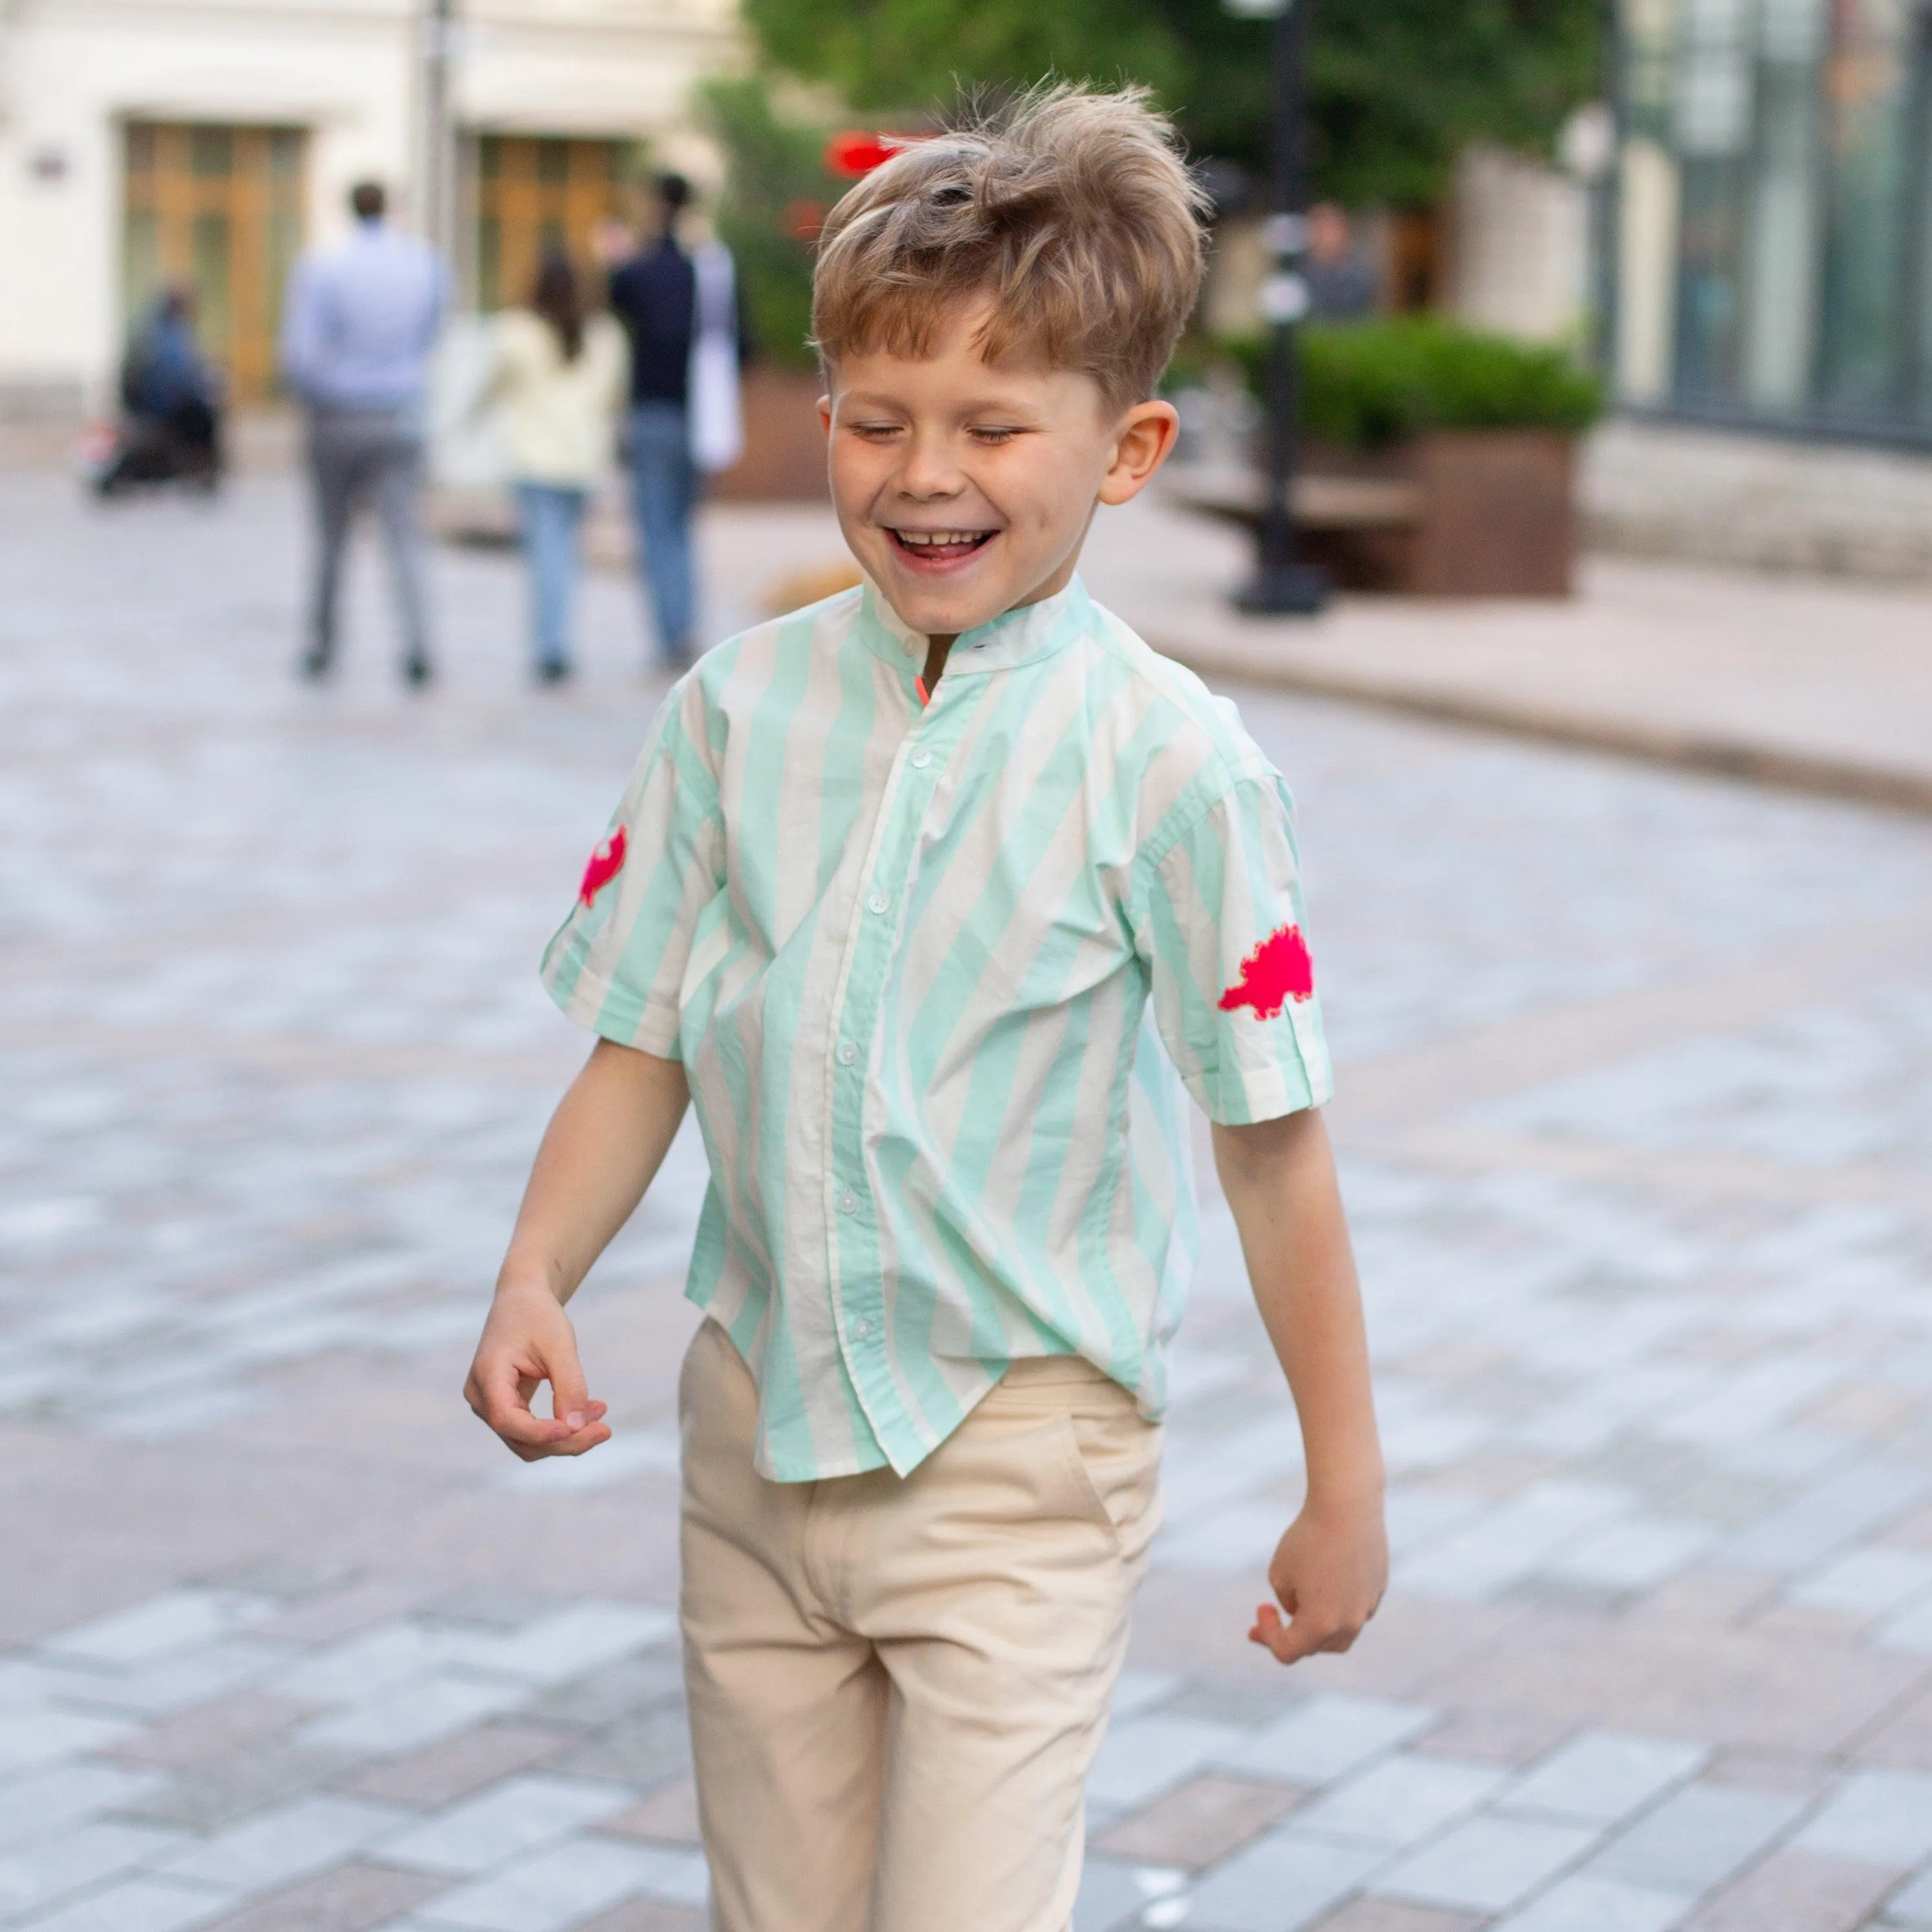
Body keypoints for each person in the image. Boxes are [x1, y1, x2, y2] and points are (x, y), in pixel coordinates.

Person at [465, 85, 1386, 1932]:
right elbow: (641, 1036)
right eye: (874, 420)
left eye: (989, 425)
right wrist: (535, 1271)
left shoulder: (1171, 765)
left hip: (1019, 1462)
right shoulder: (731, 711)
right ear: (821, 414)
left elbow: (1270, 1147)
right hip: (754, 1438)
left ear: (1124, 451)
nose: (921, 473)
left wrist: (1340, 1477)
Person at [280, 180, 446, 687]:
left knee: (331, 539)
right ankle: (418, 646)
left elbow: (298, 354)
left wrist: (320, 391)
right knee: (403, 536)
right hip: (399, 414)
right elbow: (431, 334)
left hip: (338, 415)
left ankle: (322, 645)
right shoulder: (424, 265)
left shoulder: (323, 267)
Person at [604, 174, 746, 671]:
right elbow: (742, 344)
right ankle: (686, 625)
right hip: (702, 416)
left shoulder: (637, 271)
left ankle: (670, 634)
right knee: (684, 527)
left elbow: (612, 303)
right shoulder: (714, 269)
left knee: (655, 529)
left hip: (651, 413)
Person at [478, 253, 628, 683]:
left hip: (534, 460)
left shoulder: (516, 332)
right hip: (581, 460)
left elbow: (494, 385)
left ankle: (551, 645)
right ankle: (557, 640)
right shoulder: (605, 335)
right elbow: (612, 397)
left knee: (546, 554)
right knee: (563, 552)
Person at [120, 284, 221, 475]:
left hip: (157, 401)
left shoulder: (160, 330)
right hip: (163, 404)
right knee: (202, 419)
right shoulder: (170, 334)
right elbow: (179, 373)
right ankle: (198, 465)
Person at [1305, 200, 1379, 321]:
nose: (1326, 236)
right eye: (1321, 229)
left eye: (1331, 228)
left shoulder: (1360, 273)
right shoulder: (1300, 274)